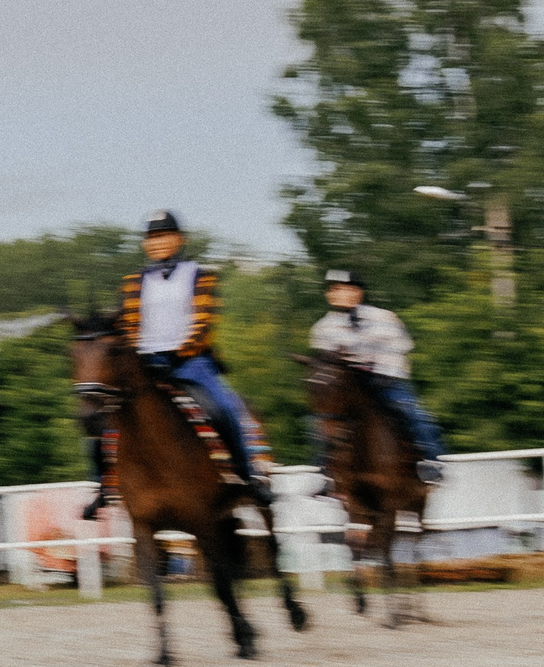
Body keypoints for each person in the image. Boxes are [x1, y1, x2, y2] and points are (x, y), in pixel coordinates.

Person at [111, 210, 271, 498]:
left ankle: (248, 477)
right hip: (146, 363)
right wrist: (140, 357)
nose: (156, 243)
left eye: (163, 236)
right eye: (151, 238)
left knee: (224, 409)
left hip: (190, 362)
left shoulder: (199, 275)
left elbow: (204, 322)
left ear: (179, 239)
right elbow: (127, 325)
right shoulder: (132, 281)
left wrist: (179, 354)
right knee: (105, 414)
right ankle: (104, 486)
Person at [309, 269, 445, 486]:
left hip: (385, 380)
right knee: (321, 423)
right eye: (334, 290)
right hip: (349, 387)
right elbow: (327, 363)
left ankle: (432, 462)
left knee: (415, 415)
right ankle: (325, 472)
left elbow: (398, 348)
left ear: (357, 293)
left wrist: (384, 374)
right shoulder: (323, 328)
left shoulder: (384, 318)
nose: (338, 294)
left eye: (345, 289)